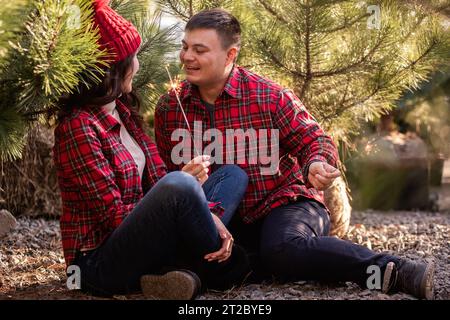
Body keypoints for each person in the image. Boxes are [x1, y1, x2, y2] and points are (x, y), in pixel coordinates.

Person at [154, 8, 435, 299]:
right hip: (220, 217)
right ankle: (244, 263)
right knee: (215, 253)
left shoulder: (269, 96)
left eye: (199, 50)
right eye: (185, 47)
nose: (187, 57)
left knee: (284, 247)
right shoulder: (170, 108)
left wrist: (316, 163)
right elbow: (163, 175)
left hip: (284, 203)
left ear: (230, 55)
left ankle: (394, 270)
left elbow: (315, 139)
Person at [52, 1, 250, 299]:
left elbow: (158, 180)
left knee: (231, 175)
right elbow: (113, 217)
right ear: (114, 68)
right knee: (181, 185)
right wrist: (186, 193)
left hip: (142, 242)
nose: (138, 65)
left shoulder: (122, 112)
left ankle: (184, 272)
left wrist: (202, 206)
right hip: (93, 266)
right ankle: (223, 269)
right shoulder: (78, 127)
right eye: (134, 57)